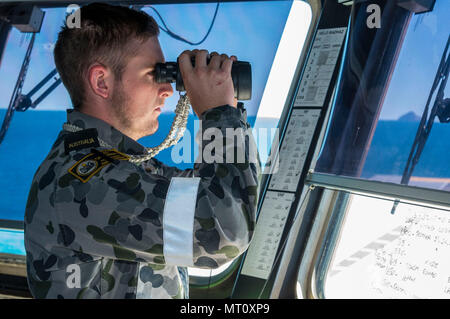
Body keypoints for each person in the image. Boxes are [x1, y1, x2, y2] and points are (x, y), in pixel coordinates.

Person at [24, 3, 260, 299]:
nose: (168, 90)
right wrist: (219, 113)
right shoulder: (82, 180)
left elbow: (216, 192)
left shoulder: (120, 164)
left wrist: (226, 107)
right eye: (155, 73)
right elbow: (224, 233)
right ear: (101, 82)